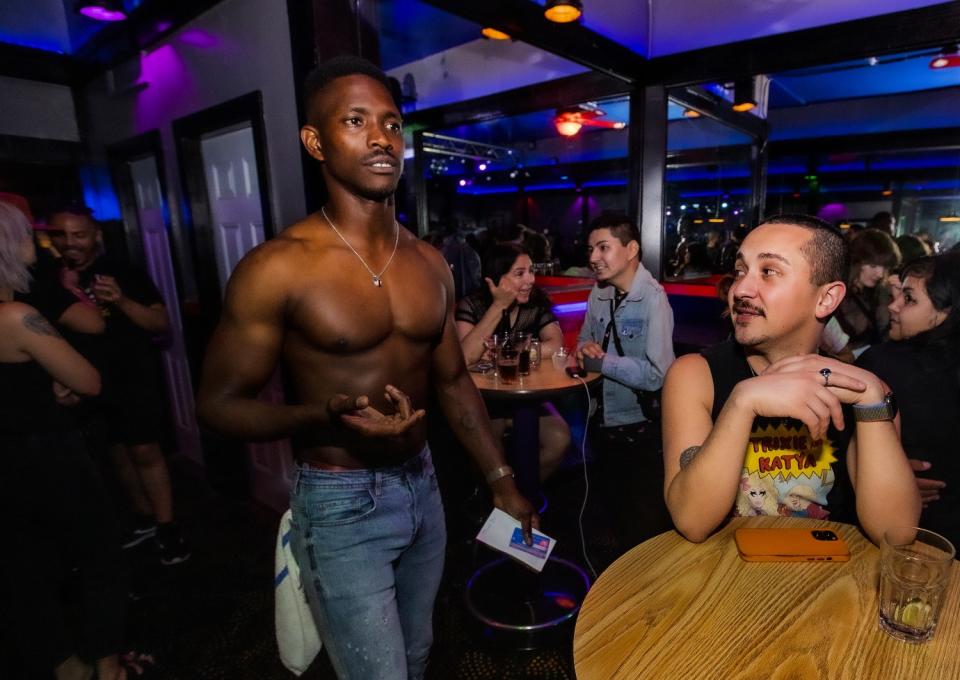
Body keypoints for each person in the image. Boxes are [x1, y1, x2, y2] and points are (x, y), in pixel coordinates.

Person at [196, 55, 535, 680]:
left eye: (392, 123)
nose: (381, 138)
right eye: (356, 121)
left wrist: (501, 480)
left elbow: (454, 380)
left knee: (416, 655)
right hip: (340, 500)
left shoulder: (430, 262)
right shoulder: (278, 267)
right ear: (315, 141)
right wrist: (321, 415)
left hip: (423, 482)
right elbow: (217, 405)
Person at [662, 213, 920, 545]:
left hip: (826, 582)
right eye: (741, 270)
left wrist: (871, 397)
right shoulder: (695, 375)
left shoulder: (865, 394)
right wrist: (743, 402)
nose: (740, 288)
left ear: (826, 298)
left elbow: (895, 534)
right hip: (720, 578)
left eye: (768, 272)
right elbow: (691, 520)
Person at [0, 201, 127, 680]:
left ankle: (65, 667)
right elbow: (89, 380)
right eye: (28, 236)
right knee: (99, 554)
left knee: (22, 568)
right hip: (45, 453)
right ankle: (107, 666)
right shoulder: (16, 315)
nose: (41, 242)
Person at [47, 205, 190, 565]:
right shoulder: (49, 277)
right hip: (88, 383)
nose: (70, 243)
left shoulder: (122, 271)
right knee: (117, 454)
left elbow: (160, 322)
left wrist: (121, 300)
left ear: (96, 236)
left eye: (78, 234)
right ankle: (144, 519)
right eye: (60, 235)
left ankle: (169, 529)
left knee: (145, 452)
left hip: (132, 377)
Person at [577, 213, 676, 546]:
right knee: (611, 512)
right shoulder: (598, 293)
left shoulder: (653, 299)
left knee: (642, 523)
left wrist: (603, 362)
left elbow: (658, 374)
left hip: (639, 428)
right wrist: (584, 349)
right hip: (600, 419)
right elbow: (582, 344)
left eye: (603, 248)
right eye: (591, 249)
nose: (593, 258)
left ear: (631, 249)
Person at [857, 253, 960, 548]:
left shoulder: (881, 365)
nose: (894, 305)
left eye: (909, 299)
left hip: (889, 541)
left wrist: (892, 482)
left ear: (947, 313)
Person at [455, 243, 569, 481]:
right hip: (487, 399)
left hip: (529, 395)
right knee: (491, 450)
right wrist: (499, 305)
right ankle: (494, 503)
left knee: (559, 440)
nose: (530, 280)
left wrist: (506, 351)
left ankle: (522, 497)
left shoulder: (536, 304)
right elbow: (464, 357)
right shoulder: (472, 304)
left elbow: (556, 345)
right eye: (520, 273)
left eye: (531, 271)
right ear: (497, 278)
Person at [836, 229, 900, 356]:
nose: (880, 274)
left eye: (885, 267)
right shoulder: (836, 292)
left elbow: (885, 334)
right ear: (857, 262)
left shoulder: (880, 292)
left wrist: (897, 298)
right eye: (873, 266)